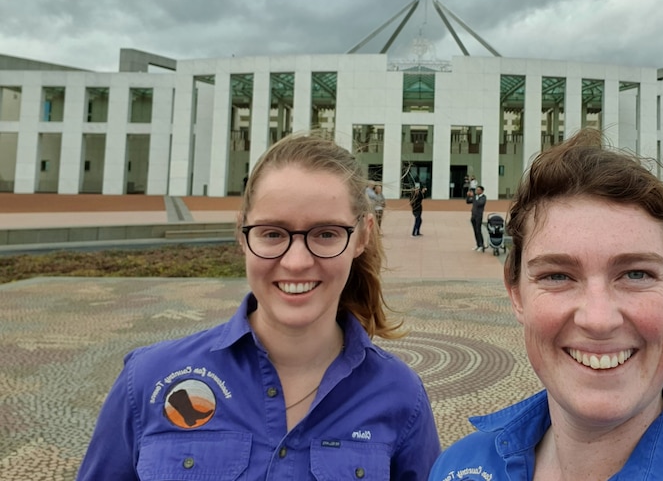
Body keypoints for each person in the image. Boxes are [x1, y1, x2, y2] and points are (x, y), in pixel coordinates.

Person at [429, 128, 663, 480]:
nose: (598, 319)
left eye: (636, 274)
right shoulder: (459, 467)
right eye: (557, 276)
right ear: (516, 294)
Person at [77, 133, 440, 480]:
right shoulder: (147, 380)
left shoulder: (400, 397)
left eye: (326, 233)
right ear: (242, 233)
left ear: (362, 236)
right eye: (272, 233)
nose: (296, 262)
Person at [467, 185, 486, 251]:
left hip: (479, 216)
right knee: (475, 231)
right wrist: (469, 196)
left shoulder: (483, 197)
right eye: (476, 190)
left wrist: (474, 198)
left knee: (478, 230)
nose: (477, 191)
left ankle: (481, 245)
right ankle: (477, 244)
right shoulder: (475, 197)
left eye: (478, 190)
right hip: (473, 216)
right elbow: (468, 202)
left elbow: (479, 204)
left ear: (482, 191)